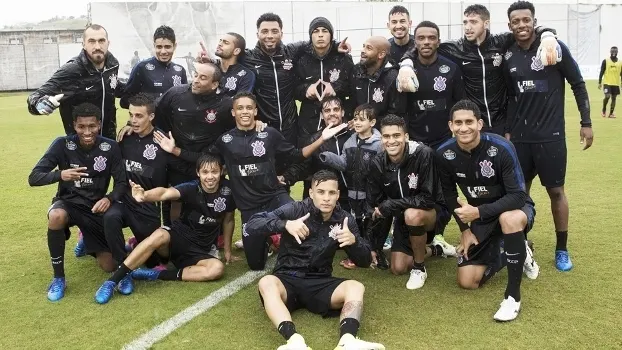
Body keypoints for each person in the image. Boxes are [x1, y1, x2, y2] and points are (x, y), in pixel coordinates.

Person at [160, 92, 345, 271]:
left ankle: (307, 258)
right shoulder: (226, 140)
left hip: (275, 197)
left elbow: (297, 155)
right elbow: (202, 157)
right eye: (240, 108)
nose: (245, 111)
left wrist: (322, 139)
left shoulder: (270, 134)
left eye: (249, 107)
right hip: (249, 208)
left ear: (256, 111)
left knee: (299, 217)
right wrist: (174, 150)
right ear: (233, 112)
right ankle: (268, 239)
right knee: (255, 265)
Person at [246, 170, 384, 350]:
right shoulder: (296, 210)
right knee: (266, 282)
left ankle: (348, 341)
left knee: (356, 286)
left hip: (320, 282)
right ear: (311, 193)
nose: (326, 198)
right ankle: (294, 341)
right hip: (287, 278)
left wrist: (354, 242)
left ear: (338, 195)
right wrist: (285, 224)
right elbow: (252, 224)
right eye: (321, 192)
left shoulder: (345, 219)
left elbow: (365, 261)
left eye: (331, 192)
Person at [503, 1, 593, 271]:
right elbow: (510, 96)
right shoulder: (508, 55)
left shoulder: (553, 48)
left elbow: (577, 83)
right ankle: (523, 243)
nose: (521, 25)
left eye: (526, 20)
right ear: (510, 25)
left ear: (534, 21)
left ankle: (562, 249)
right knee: (520, 193)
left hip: (551, 136)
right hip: (519, 138)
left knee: (556, 191)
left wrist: (586, 122)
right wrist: (508, 130)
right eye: (516, 21)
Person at [436, 99, 540, 321]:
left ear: (480, 123)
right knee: (467, 280)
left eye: (469, 122)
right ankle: (520, 251)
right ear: (451, 126)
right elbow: (449, 195)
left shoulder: (501, 147)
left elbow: (518, 195)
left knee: (508, 219)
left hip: (515, 209)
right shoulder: (444, 153)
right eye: (458, 123)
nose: (464, 128)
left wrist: (479, 213)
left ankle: (513, 297)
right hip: (481, 215)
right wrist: (465, 229)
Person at [397, 4, 560, 135]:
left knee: (508, 170)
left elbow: (526, 29)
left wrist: (547, 35)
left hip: (501, 121)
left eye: (473, 22)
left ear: (486, 23)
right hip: (473, 123)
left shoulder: (501, 42)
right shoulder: (455, 48)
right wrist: (405, 64)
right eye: (465, 22)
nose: (468, 27)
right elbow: (424, 46)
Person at [93, 154, 233, 304]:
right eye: (205, 172)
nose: (210, 177)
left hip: (201, 249)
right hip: (177, 240)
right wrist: (144, 195)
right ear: (198, 173)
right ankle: (112, 281)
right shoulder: (192, 187)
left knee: (217, 269)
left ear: (221, 172)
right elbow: (164, 193)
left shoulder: (229, 191)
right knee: (160, 234)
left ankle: (157, 275)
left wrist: (227, 250)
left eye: (214, 172)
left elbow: (229, 220)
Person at [28, 102, 128, 302]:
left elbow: (122, 184)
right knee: (56, 216)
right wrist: (61, 174)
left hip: (93, 209)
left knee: (108, 266)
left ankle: (85, 239)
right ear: (74, 125)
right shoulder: (62, 144)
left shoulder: (110, 147)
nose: (87, 131)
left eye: (91, 126)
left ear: (99, 124)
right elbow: (34, 177)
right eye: (81, 127)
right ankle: (58, 278)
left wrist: (108, 198)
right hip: (68, 203)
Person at [366, 115, 451, 289]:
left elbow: (428, 199)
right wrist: (375, 247)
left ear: (405, 136)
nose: (391, 141)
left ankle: (419, 268)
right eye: (386, 136)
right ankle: (437, 250)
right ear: (381, 138)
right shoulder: (378, 163)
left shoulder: (423, 154)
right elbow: (377, 207)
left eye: (396, 136)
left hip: (432, 212)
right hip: (403, 216)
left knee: (412, 214)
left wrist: (391, 205)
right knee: (397, 268)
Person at [103, 93, 170, 271]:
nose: (134, 120)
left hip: (148, 202)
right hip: (125, 199)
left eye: (139, 116)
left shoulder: (163, 141)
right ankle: (120, 264)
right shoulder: (125, 137)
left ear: (151, 116)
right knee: (110, 217)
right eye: (131, 115)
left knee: (159, 261)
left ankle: (138, 243)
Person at [27, 24, 123, 140]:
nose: (97, 46)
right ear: (83, 44)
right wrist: (41, 104)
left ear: (108, 43)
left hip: (109, 143)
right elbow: (35, 97)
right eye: (91, 41)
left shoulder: (112, 65)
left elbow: (111, 86)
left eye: (101, 41)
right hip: (80, 148)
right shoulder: (72, 70)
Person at [318, 104, 383, 269]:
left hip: (372, 192)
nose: (358, 122)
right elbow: (344, 163)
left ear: (373, 122)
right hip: (353, 191)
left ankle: (375, 252)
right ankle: (360, 254)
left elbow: (383, 168)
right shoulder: (350, 142)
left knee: (372, 222)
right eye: (355, 119)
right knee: (356, 222)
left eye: (362, 119)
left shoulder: (379, 144)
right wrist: (328, 157)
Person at [280, 96, 352, 210]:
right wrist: (285, 177)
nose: (332, 113)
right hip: (324, 197)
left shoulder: (353, 136)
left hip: (349, 198)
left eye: (336, 109)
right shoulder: (314, 140)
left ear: (342, 112)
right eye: (327, 111)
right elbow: (302, 166)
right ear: (322, 115)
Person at [407, 21, 464, 149]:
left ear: (438, 42)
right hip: (414, 140)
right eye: (421, 38)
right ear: (414, 43)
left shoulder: (451, 68)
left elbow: (459, 103)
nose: (426, 42)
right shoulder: (406, 70)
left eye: (431, 38)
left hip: (444, 139)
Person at [294, 17, 354, 139]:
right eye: (316, 31)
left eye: (324, 31)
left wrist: (335, 88)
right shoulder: (301, 60)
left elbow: (352, 87)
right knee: (309, 154)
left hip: (336, 117)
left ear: (331, 35)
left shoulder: (343, 58)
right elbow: (293, 89)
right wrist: (306, 90)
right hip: (309, 121)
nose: (320, 35)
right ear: (310, 36)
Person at [120, 25, 188, 109]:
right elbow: (125, 101)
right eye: (159, 47)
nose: (163, 51)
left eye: (167, 47)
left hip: (172, 122)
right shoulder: (141, 68)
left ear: (174, 46)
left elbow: (185, 102)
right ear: (154, 46)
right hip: (149, 122)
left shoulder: (180, 71)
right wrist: (148, 106)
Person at [351, 36, 406, 125]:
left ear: (381, 54)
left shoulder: (393, 78)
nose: (363, 50)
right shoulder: (356, 71)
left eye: (368, 48)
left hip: (383, 133)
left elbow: (395, 114)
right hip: (358, 130)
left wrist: (370, 125)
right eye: (363, 46)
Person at [212, 32, 256, 97]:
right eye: (220, 41)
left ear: (236, 51)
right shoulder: (210, 68)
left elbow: (241, 102)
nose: (220, 44)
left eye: (226, 43)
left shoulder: (246, 75)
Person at [598, 46, 622, 118]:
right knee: (607, 96)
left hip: (616, 84)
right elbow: (601, 72)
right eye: (612, 52)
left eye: (615, 52)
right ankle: (603, 110)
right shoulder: (605, 61)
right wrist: (599, 82)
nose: (614, 53)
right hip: (607, 83)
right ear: (610, 52)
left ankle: (611, 114)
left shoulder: (620, 63)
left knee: (614, 98)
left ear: (617, 52)